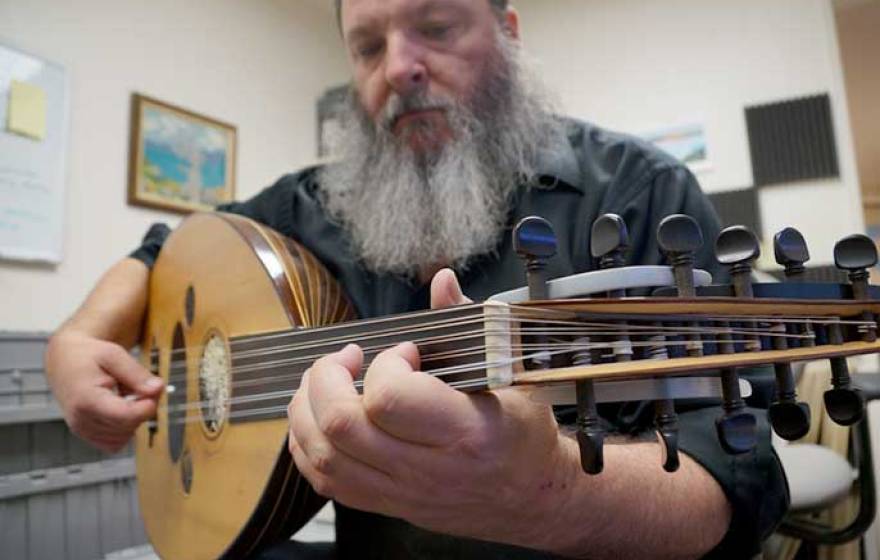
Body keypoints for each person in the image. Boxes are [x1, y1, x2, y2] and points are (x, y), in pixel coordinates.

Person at [44, 0, 788, 558]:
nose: (398, 67)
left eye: (435, 26)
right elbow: (163, 252)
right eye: (367, 47)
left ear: (508, 32)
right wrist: (77, 339)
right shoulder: (310, 205)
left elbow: (731, 481)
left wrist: (547, 493)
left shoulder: (636, 188)